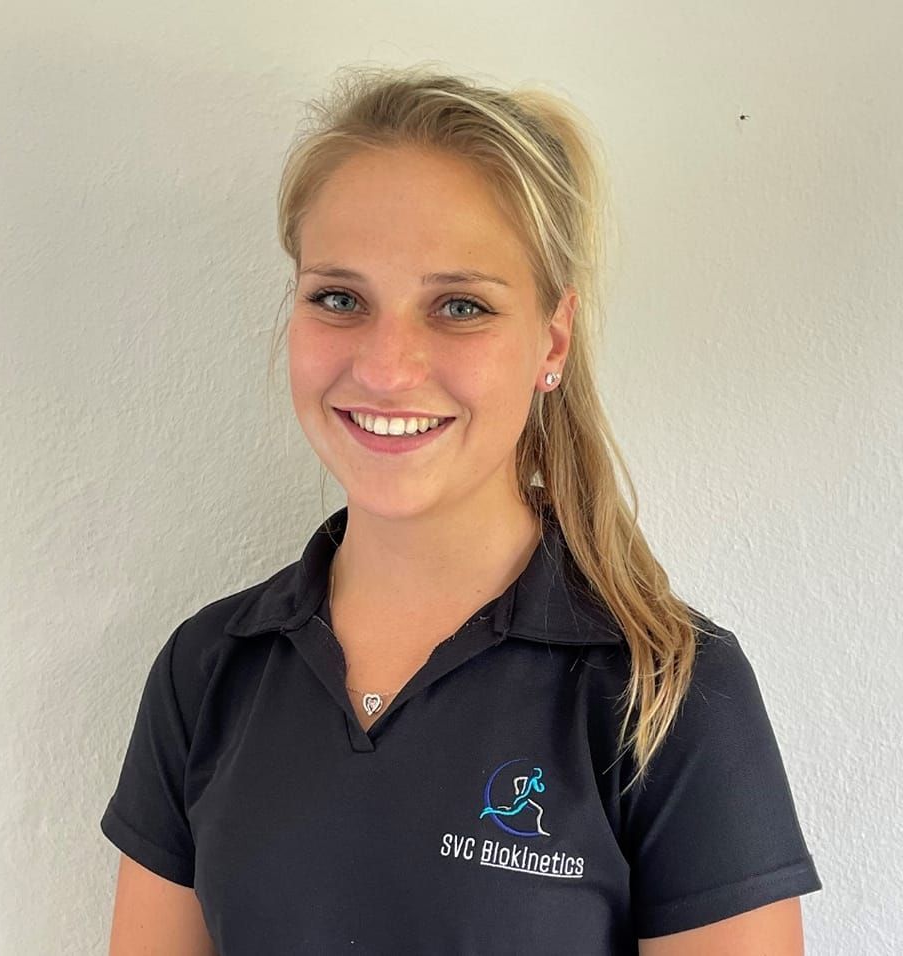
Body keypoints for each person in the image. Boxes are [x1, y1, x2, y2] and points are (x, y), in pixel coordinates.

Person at [101, 65, 822, 954]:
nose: (386, 366)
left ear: (550, 340)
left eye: (459, 306)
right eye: (340, 297)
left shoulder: (665, 690)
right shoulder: (207, 670)